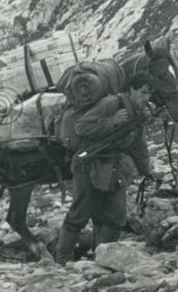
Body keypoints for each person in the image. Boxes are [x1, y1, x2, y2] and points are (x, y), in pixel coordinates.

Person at [54, 87, 153, 264]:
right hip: (88, 164)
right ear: (131, 90)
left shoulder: (139, 113)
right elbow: (81, 127)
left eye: (149, 94)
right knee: (80, 212)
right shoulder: (111, 104)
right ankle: (62, 259)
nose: (146, 97)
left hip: (115, 167)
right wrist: (111, 121)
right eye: (143, 92)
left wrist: (146, 170)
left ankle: (102, 259)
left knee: (116, 215)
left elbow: (138, 144)